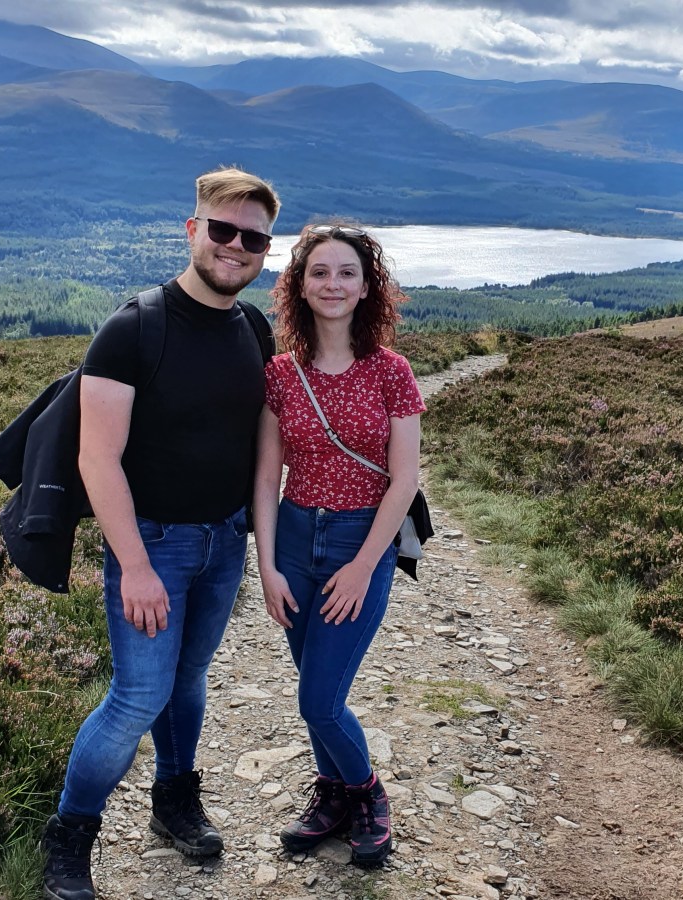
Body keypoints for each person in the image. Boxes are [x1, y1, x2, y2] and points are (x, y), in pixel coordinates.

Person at [40, 167, 281, 900]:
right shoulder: (134, 328)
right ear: (192, 230)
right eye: (223, 229)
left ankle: (174, 800)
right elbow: (97, 457)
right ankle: (69, 835)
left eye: (255, 238)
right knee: (136, 697)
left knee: (188, 680)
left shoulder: (254, 328)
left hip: (223, 543)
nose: (236, 246)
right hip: (153, 545)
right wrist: (135, 565)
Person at [252, 223, 425, 867]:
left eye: (346, 272)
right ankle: (331, 796)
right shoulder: (280, 373)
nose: (333, 284)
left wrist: (362, 566)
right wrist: (266, 564)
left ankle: (367, 793)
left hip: (361, 540)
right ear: (299, 284)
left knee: (318, 699)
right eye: (319, 271)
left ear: (365, 287)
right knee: (316, 687)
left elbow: (404, 479)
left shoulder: (391, 371)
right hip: (295, 535)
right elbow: (268, 475)